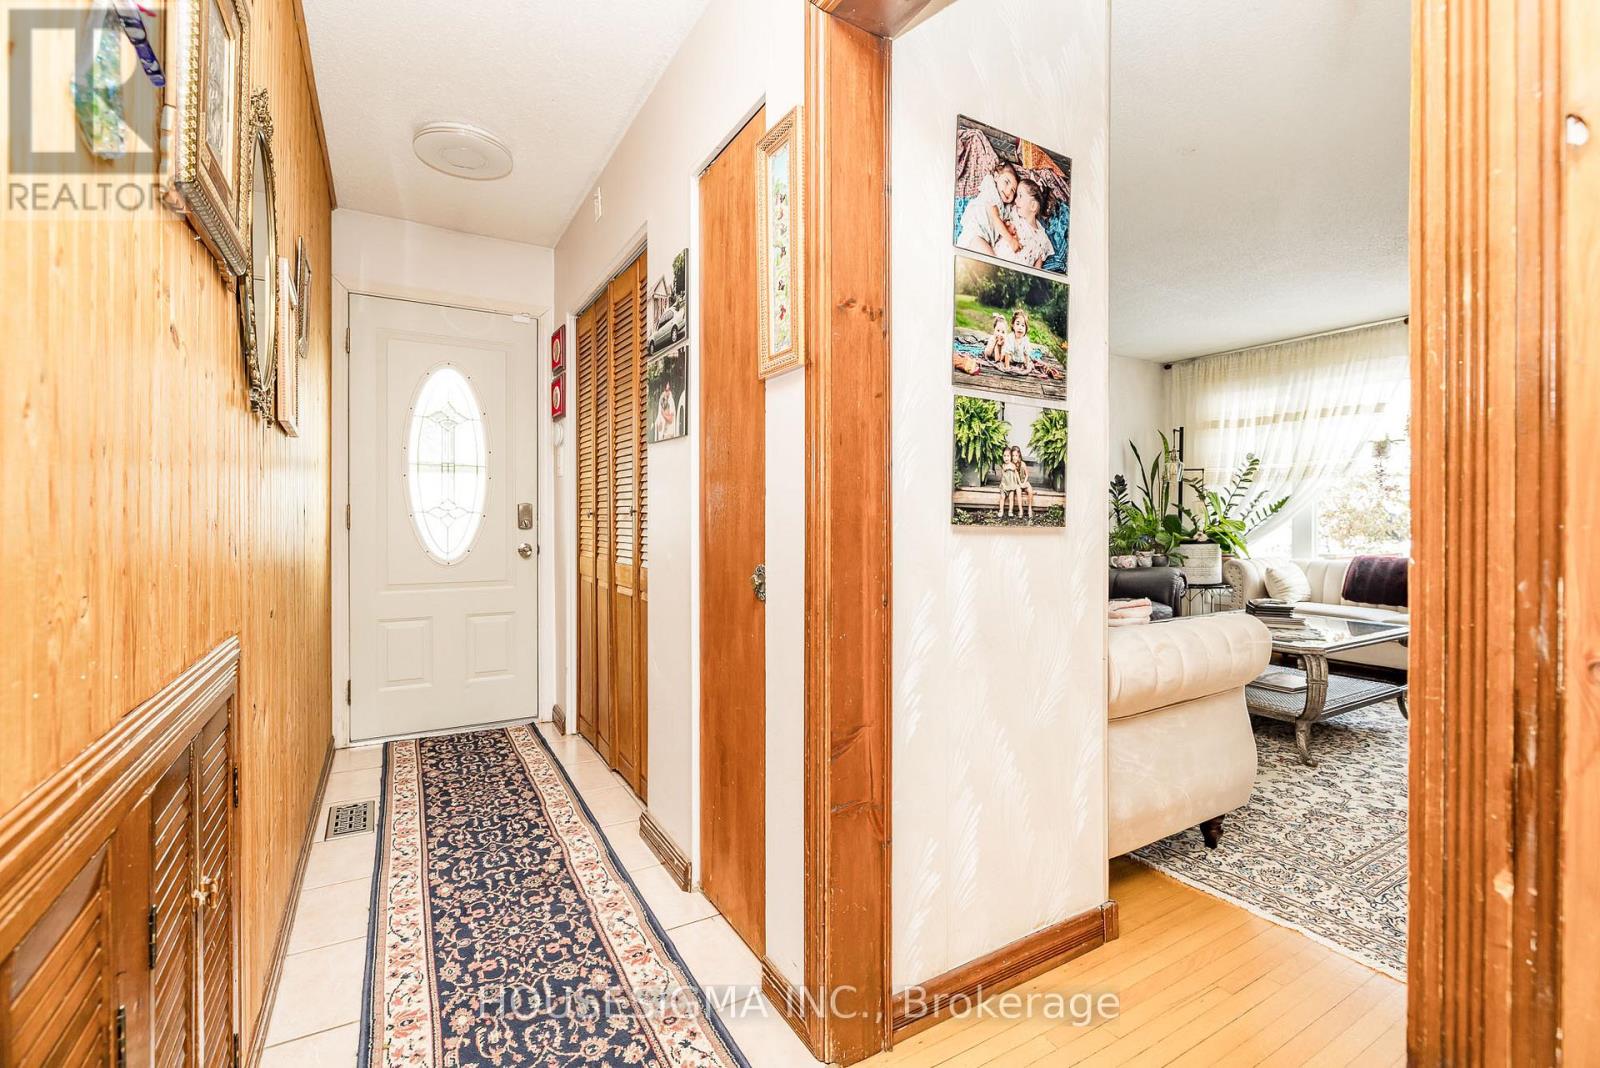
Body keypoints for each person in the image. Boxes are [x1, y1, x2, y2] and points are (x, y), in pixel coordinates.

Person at [956, 161, 1022, 258]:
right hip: (974, 235)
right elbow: (995, 218)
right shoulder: (991, 189)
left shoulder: (1005, 208)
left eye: (1013, 190)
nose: (1008, 191)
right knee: (992, 261)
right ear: (996, 176)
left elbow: (1005, 224)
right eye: (1006, 182)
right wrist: (1011, 240)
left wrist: (1010, 229)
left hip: (984, 241)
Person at [991, 179, 1054, 270]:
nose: (1016, 200)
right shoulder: (1014, 214)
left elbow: (1038, 269)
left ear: (1033, 206)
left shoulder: (1043, 238)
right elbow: (998, 222)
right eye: (1016, 195)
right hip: (996, 259)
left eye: (1020, 196)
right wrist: (1007, 227)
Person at [999, 446, 1025, 518]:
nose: (1006, 458)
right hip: (1004, 485)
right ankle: (1001, 510)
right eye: (1004, 456)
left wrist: (1020, 483)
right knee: (1002, 497)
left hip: (1011, 485)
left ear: (1011, 457)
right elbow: (1002, 476)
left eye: (1008, 456)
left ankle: (1010, 511)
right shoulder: (1003, 465)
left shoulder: (1013, 465)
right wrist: (1001, 484)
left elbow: (1016, 475)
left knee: (1011, 498)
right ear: (1002, 457)